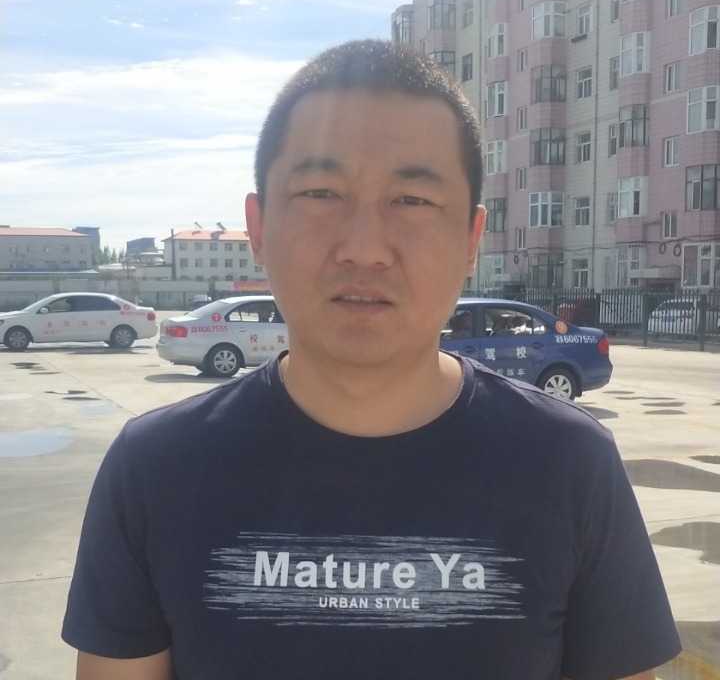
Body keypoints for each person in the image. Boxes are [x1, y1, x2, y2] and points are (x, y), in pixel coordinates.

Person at [62, 40, 680, 679]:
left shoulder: (568, 464)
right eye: (320, 192)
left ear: (471, 238)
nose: (364, 248)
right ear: (259, 227)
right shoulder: (157, 469)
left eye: (412, 200)